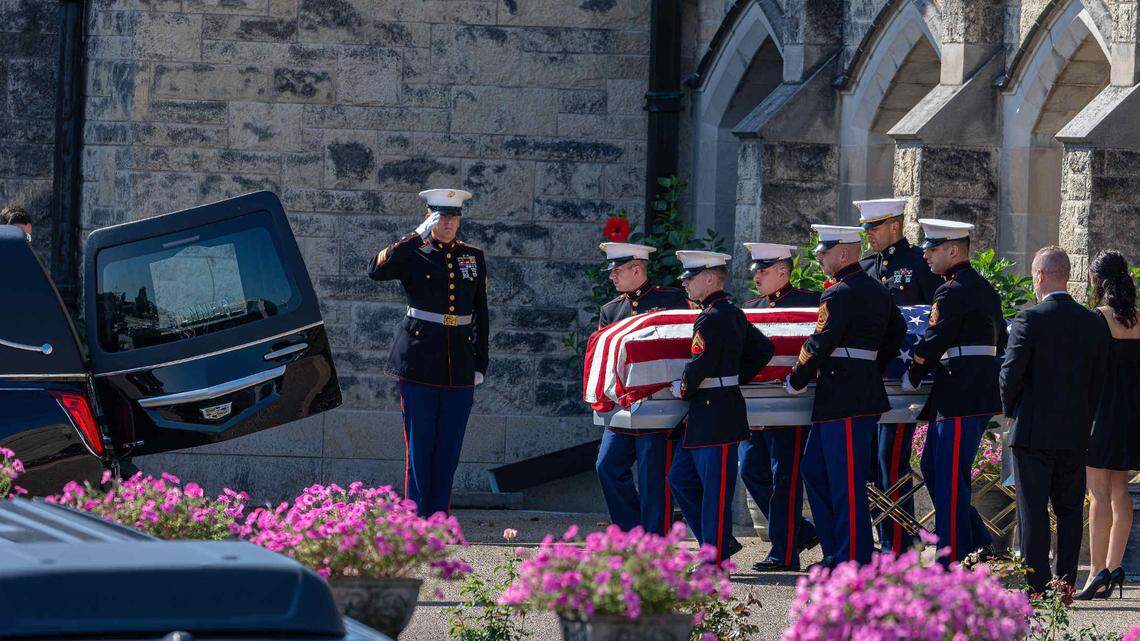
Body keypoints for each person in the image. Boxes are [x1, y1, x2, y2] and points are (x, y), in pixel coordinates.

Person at [786, 225, 906, 567]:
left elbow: (819, 342)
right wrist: (872, 365)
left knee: (845, 481)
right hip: (848, 394)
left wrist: (796, 377)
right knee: (815, 470)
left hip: (844, 398)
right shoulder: (878, 290)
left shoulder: (838, 294)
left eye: (824, 253)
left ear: (843, 254)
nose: (820, 259)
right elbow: (897, 332)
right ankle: (836, 550)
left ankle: (853, 557)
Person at [368, 188, 488, 517]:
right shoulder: (413, 252)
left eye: (453, 218)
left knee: (449, 448)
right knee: (420, 448)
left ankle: (439, 519)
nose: (448, 223)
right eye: (441, 217)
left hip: (459, 364)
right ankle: (416, 519)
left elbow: (481, 312)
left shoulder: (472, 256)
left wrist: (480, 362)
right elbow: (375, 270)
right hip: (419, 362)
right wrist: (415, 236)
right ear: (429, 218)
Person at [999, 246, 1108, 593]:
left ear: (1040, 275)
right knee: (1070, 510)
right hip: (1075, 430)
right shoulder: (1092, 322)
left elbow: (1010, 375)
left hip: (1032, 430)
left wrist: (1011, 411)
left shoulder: (1029, 319)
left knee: (1032, 511)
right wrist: (1084, 416)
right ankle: (1065, 584)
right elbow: (1098, 380)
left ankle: (1038, 586)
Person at [901, 219, 1005, 564]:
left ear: (954, 250)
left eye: (933, 249)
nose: (926, 256)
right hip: (968, 391)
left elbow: (935, 339)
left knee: (945, 474)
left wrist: (914, 372)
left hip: (961, 394)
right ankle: (977, 540)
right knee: (934, 466)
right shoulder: (985, 288)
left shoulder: (950, 291)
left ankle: (952, 555)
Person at [668, 250, 774, 563]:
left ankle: (714, 560)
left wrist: (686, 386)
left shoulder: (713, 316)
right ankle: (718, 544)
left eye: (691, 277)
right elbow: (763, 349)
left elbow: (700, 362)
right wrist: (733, 377)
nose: (685, 283)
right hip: (709, 413)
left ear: (710, 278)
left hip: (716, 415)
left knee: (714, 493)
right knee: (680, 477)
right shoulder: (728, 313)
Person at [856, 197, 940, 555]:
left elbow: (934, 317)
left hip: (904, 380)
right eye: (866, 229)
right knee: (869, 466)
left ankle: (900, 544)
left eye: (874, 227)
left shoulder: (919, 264)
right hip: (870, 380)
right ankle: (890, 538)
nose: (869, 234)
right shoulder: (864, 266)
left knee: (890, 461)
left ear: (895, 226)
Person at [595, 242, 691, 534]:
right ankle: (632, 533)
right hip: (624, 407)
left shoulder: (672, 299)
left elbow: (687, 346)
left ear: (637, 269)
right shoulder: (611, 310)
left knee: (654, 478)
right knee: (607, 466)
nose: (612, 275)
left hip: (659, 404)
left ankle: (655, 541)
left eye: (617, 270)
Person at [739, 242, 820, 571]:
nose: (756, 277)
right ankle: (800, 532)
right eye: (755, 271)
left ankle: (784, 553)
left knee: (784, 476)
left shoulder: (810, 303)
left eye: (763, 271)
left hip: (791, 403)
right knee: (750, 469)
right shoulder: (750, 307)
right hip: (755, 406)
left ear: (783, 272)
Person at [1076, 250, 1139, 600]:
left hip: (1101, 413)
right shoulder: (1138, 319)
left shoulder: (1096, 318)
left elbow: (1083, 370)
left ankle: (1097, 571)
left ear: (1098, 280)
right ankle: (1114, 567)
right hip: (1132, 415)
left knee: (1097, 493)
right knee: (1120, 491)